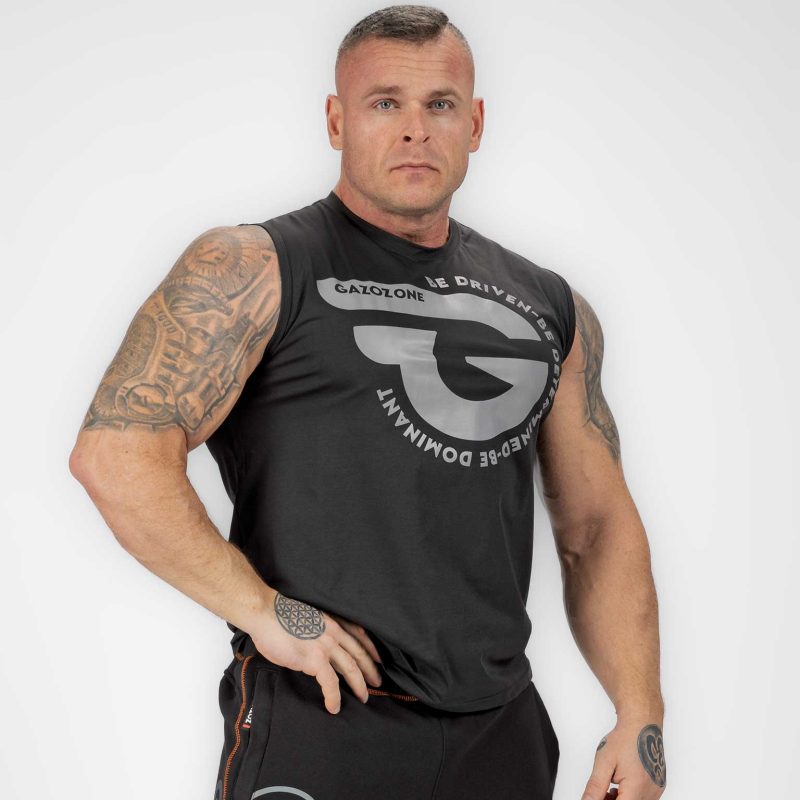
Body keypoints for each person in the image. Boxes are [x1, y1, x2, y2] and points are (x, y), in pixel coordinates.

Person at [69, 5, 666, 800]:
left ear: (475, 124)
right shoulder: (255, 268)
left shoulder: (549, 305)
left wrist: (639, 714)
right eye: (385, 102)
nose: (416, 129)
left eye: (440, 104)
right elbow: (116, 453)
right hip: (325, 717)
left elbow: (596, 527)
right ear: (336, 120)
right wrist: (264, 612)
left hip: (501, 733)